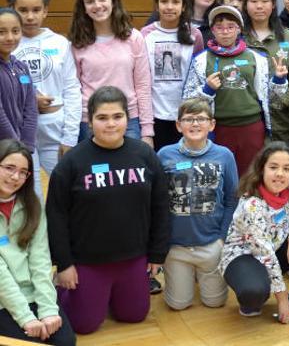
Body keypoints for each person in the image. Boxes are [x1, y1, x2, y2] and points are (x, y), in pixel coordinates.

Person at [46, 86, 170, 334]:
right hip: (88, 261)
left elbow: (161, 206)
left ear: (127, 117)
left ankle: (111, 292)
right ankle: (62, 288)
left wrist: (157, 254)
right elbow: (56, 215)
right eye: (102, 118)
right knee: (84, 325)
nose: (111, 124)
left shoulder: (144, 154)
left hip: (133, 257)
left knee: (134, 316)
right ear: (90, 121)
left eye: (117, 116)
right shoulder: (72, 162)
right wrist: (64, 264)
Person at [219, 142, 289, 322]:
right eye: (273, 167)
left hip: (274, 250)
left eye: (287, 168)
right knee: (254, 292)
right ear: (261, 169)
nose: (280, 173)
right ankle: (251, 299)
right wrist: (281, 299)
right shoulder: (251, 205)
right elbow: (264, 254)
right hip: (244, 256)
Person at [182, 5, 289, 175]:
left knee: (251, 176)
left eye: (230, 27)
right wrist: (207, 90)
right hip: (218, 129)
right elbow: (187, 102)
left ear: (239, 29)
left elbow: (273, 100)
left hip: (251, 127)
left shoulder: (256, 58)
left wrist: (279, 79)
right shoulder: (201, 60)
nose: (225, 31)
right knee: (220, 176)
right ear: (212, 30)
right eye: (219, 27)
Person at [156, 98, 238, 310]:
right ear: (178, 125)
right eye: (188, 119)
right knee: (178, 305)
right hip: (176, 248)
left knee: (215, 303)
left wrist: (221, 239)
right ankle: (184, 275)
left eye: (201, 119)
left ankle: (202, 275)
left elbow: (232, 199)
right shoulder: (164, 155)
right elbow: (157, 202)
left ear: (211, 125)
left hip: (211, 245)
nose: (194, 124)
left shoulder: (225, 155)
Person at [7, 0, 80, 194]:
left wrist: (70, 137)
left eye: (36, 9)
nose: (30, 16)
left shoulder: (59, 43)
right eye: (23, 10)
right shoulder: (8, 43)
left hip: (55, 129)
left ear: (45, 11)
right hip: (19, 130)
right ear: (12, 10)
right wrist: (30, 100)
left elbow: (72, 91)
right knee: (31, 194)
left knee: (67, 191)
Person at [0, 139, 76, 345]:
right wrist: (26, 317)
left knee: (65, 342)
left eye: (23, 172)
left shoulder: (33, 207)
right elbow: (1, 277)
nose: (16, 177)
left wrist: (48, 310)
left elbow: (40, 261)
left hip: (32, 292)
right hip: (3, 300)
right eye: (9, 168)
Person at [69, 0, 153, 146]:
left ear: (113, 2)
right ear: (83, 8)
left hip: (129, 119)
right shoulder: (77, 43)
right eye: (90, 1)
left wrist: (147, 131)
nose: (97, 5)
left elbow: (143, 86)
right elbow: (72, 89)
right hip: (90, 121)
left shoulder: (134, 38)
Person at [141, 0, 205, 150]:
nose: (169, 7)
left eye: (175, 2)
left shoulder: (194, 35)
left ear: (184, 6)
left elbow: (198, 76)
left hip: (186, 116)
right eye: (164, 1)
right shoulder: (145, 35)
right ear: (156, 5)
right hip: (155, 116)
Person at [241, 0, 289, 143]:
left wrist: (285, 100)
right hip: (247, 119)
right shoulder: (238, 38)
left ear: (273, 4)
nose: (259, 6)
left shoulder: (287, 37)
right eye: (254, 1)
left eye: (265, 1)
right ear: (245, 5)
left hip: (280, 121)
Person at [0, 7, 37, 172]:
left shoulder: (22, 68)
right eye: (1, 32)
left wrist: (26, 146)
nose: (9, 38)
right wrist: (15, 147)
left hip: (20, 149)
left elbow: (30, 108)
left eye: (15, 31)